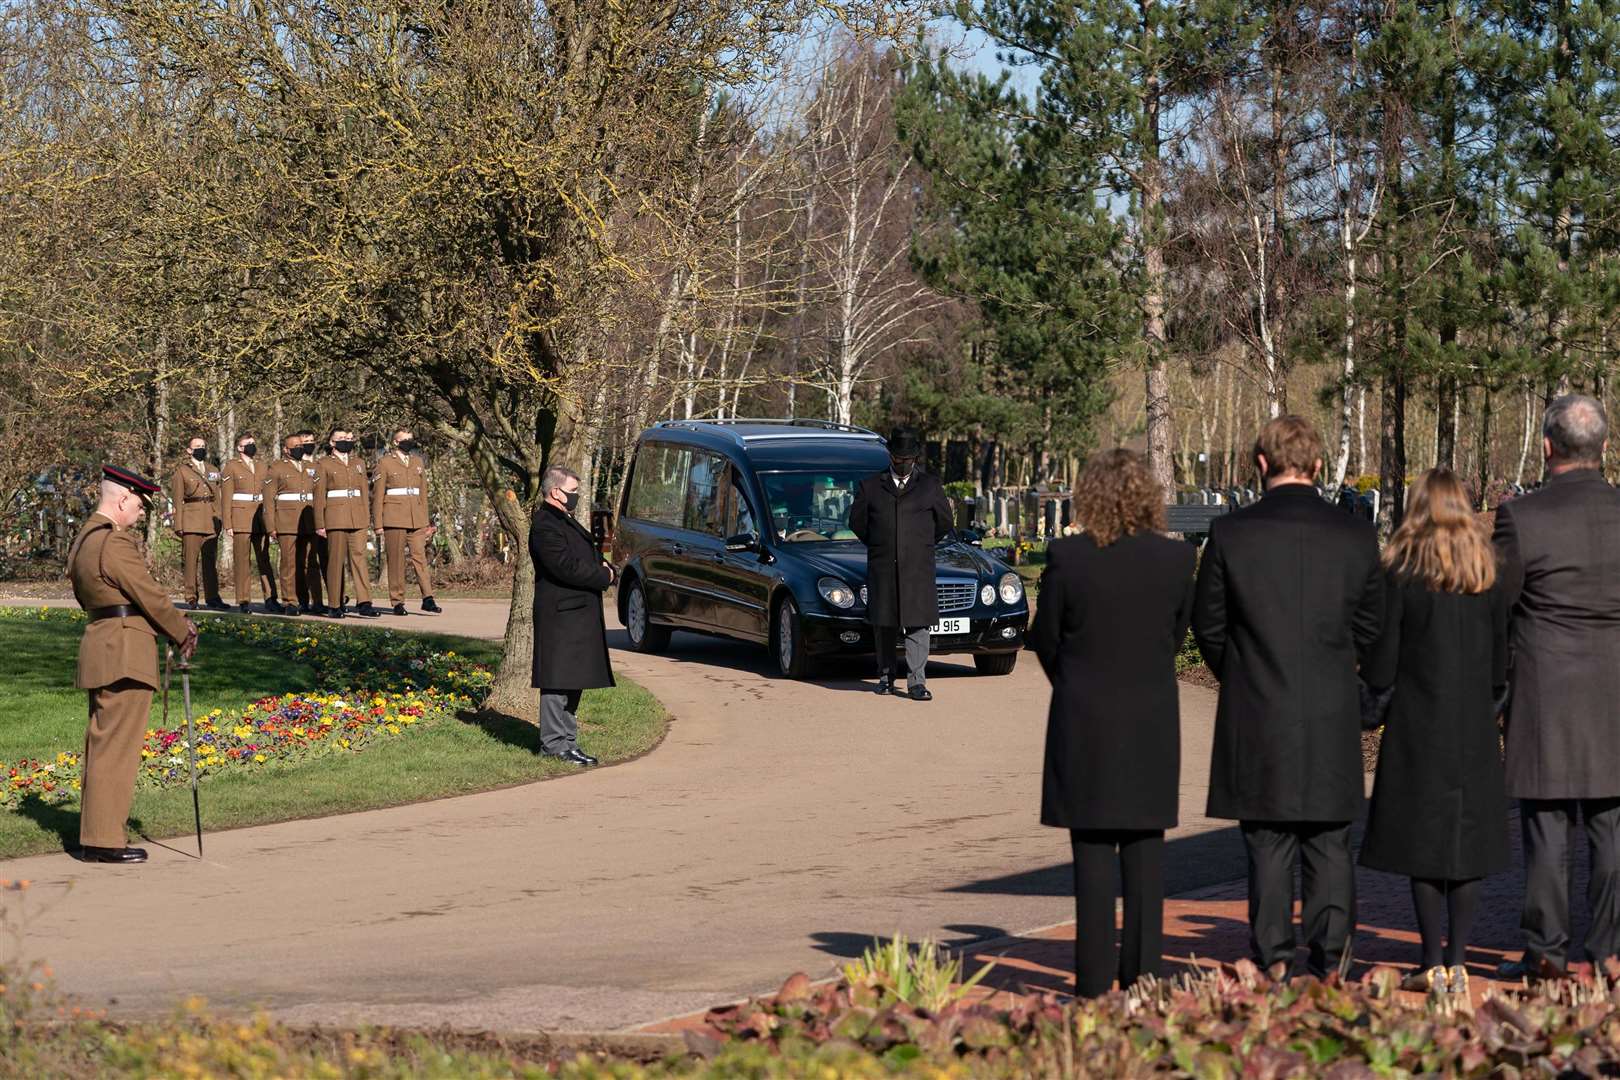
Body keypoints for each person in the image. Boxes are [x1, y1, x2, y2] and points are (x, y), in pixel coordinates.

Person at [1193, 415, 1382, 981]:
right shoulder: (1353, 535)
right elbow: (1376, 630)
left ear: (1260, 463)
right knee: (1329, 842)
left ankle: (1273, 957)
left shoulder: (1231, 533)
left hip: (1259, 708)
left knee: (1268, 843)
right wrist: (1364, 696)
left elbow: (1208, 625)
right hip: (1330, 707)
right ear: (1319, 466)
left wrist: (1243, 674)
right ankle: (1332, 958)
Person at [1030, 448, 1196, 998]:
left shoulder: (1069, 556)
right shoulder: (1174, 561)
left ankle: (1096, 986)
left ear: (1091, 495)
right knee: (1147, 858)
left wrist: (1077, 683)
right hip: (1150, 722)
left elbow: (1046, 639)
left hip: (1086, 722)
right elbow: (1174, 640)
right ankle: (1144, 978)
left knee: (1094, 860)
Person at [1360, 468, 1509, 999]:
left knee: (1422, 839)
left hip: (1417, 721)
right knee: (1464, 839)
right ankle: (1460, 959)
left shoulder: (1401, 572)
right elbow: (1500, 662)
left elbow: (1383, 658)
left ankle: (1430, 960)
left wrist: (1371, 702)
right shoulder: (1486, 575)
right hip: (1470, 723)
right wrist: (1491, 704)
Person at [1494, 394, 1620, 983]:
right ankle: (1607, 949)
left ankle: (1547, 950)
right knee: (1610, 825)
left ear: (1547, 448)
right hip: (1613, 692)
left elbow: (1500, 602)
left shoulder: (1522, 517)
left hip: (1545, 690)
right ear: (1604, 447)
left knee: (1546, 827)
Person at [67, 466, 198, 863]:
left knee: (103, 745)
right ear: (122, 498)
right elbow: (151, 596)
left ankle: (97, 834)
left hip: (102, 643)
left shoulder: (83, 540)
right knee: (116, 750)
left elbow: (85, 597)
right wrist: (182, 630)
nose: (141, 513)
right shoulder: (115, 542)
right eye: (140, 505)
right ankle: (104, 840)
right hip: (125, 651)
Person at [849, 427, 953, 701]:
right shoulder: (870, 487)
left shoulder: (930, 486)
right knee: (884, 624)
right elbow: (857, 523)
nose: (903, 464)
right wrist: (882, 545)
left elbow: (944, 523)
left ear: (915, 459)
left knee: (918, 625)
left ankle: (917, 682)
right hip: (883, 567)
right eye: (898, 458)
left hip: (918, 569)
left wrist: (919, 546)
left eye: (908, 459)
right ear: (890, 456)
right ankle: (885, 677)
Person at [529, 464, 613, 766]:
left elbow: (584, 555)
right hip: (560, 614)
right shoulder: (544, 524)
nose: (576, 497)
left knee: (572, 680)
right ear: (555, 492)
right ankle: (553, 745)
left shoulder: (564, 519)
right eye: (573, 492)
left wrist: (607, 568)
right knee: (557, 681)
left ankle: (568, 742)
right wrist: (602, 577)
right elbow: (564, 566)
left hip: (575, 613)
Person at [372, 428, 441, 616]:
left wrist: (426, 521)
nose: (409, 442)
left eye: (411, 438)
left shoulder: (418, 462)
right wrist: (378, 523)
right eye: (404, 439)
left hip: (416, 519)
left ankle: (428, 598)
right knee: (396, 561)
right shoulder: (385, 463)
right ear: (395, 442)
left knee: (420, 558)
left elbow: (423, 494)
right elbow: (377, 496)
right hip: (394, 518)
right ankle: (397, 601)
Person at [314, 426, 379, 618]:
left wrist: (367, 519)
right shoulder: (323, 464)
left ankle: (365, 602)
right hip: (335, 518)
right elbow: (319, 496)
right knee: (335, 561)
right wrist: (319, 523)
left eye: (348, 438)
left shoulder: (358, 462)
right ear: (332, 442)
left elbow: (364, 493)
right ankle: (335, 604)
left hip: (357, 517)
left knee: (359, 558)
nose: (346, 441)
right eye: (341, 438)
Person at [220, 432, 280, 613]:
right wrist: (228, 524)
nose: (252, 446)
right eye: (248, 443)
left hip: (260, 518)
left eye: (253, 443)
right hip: (240, 518)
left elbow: (269, 496)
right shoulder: (231, 466)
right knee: (242, 560)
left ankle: (271, 598)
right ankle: (244, 600)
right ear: (239, 447)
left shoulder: (263, 466)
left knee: (264, 559)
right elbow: (226, 497)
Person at [263, 432, 322, 615]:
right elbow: (268, 501)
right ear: (286, 449)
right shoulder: (276, 469)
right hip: (286, 522)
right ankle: (290, 601)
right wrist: (271, 526)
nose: (299, 448)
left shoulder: (311, 467)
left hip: (308, 522)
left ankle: (312, 601)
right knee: (289, 564)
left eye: (301, 445)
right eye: (295, 446)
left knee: (309, 563)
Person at [168, 435, 227, 611]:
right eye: (197, 446)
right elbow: (177, 500)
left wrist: (220, 518)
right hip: (191, 520)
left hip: (210, 520)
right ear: (189, 450)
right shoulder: (182, 471)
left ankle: (213, 597)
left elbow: (217, 496)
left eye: (203, 446)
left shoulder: (213, 469)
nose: (201, 449)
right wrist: (178, 525)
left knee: (210, 562)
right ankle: (191, 597)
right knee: (190, 561)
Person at [297, 429, 328, 612]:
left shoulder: (319, 465)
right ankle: (302, 599)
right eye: (305, 441)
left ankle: (320, 601)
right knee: (301, 561)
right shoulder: (293, 466)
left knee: (318, 560)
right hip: (298, 518)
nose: (310, 443)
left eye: (312, 440)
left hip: (319, 518)